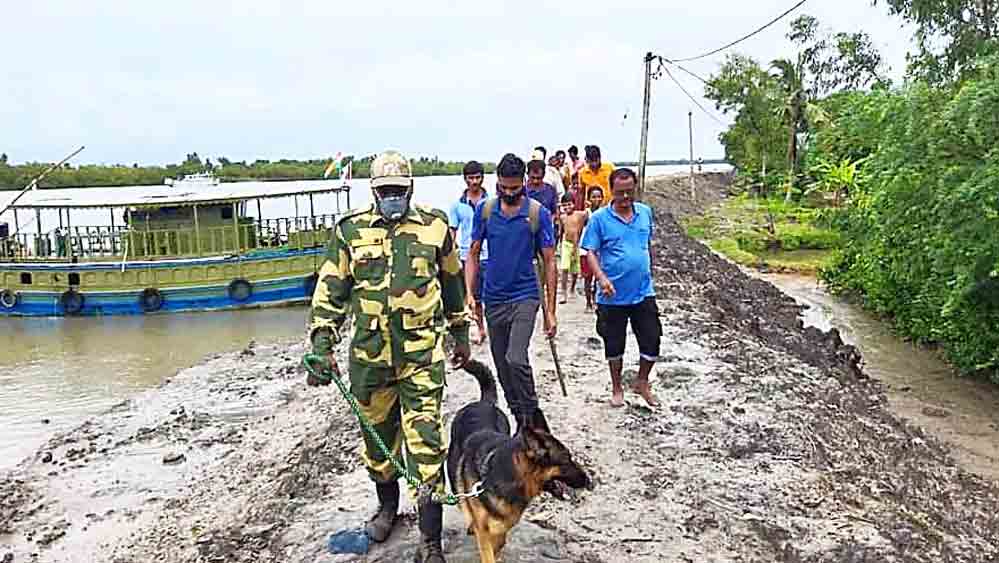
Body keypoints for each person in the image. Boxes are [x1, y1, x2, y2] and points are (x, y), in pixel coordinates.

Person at [307, 150, 470, 563]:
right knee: (378, 446)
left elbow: (452, 283)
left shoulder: (435, 228)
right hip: (369, 361)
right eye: (385, 192)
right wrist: (321, 345)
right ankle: (387, 508)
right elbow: (331, 293)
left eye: (399, 190)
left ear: (410, 188)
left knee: (426, 444)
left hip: (421, 358)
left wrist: (461, 333)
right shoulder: (350, 231)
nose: (392, 197)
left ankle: (430, 540)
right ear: (373, 192)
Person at [465, 153, 557, 429]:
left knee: (516, 358)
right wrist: (470, 293)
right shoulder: (484, 210)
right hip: (494, 297)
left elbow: (550, 260)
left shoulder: (536, 213)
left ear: (524, 184)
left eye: (514, 189)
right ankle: (520, 419)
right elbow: (472, 253)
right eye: (503, 188)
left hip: (526, 296)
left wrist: (550, 312)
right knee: (502, 367)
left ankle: (533, 416)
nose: (508, 193)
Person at [581, 168, 661, 409]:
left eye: (629, 192)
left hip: (643, 291)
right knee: (614, 344)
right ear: (610, 191)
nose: (625, 198)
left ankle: (642, 382)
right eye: (620, 193)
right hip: (611, 296)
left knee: (652, 338)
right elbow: (590, 253)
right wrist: (601, 277)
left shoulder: (645, 213)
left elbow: (646, 245)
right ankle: (617, 387)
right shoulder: (599, 219)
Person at [449, 160, 489, 344]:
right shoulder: (457, 205)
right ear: (465, 179)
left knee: (492, 295)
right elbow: (452, 231)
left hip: (489, 254)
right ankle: (480, 328)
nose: (474, 181)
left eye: (478, 177)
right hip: (466, 255)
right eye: (471, 178)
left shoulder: (491, 202)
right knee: (473, 296)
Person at [558, 193, 588, 305]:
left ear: (574, 204)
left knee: (575, 270)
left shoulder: (579, 215)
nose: (567, 208)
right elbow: (561, 231)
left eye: (569, 204)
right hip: (566, 244)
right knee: (564, 267)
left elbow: (588, 213)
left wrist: (587, 205)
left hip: (577, 245)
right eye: (564, 205)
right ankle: (563, 292)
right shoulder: (562, 217)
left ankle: (572, 288)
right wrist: (559, 244)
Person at [580, 186, 605, 312]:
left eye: (599, 196)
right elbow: (579, 230)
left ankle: (596, 300)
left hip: (600, 250)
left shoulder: (604, 213)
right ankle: (588, 302)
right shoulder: (586, 214)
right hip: (586, 250)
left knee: (598, 276)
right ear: (589, 199)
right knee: (587, 277)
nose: (597, 199)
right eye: (594, 197)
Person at [526, 152, 559, 218]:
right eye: (533, 178)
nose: (535, 181)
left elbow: (555, 212)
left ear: (543, 175)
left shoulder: (550, 190)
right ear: (528, 174)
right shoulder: (523, 191)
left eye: (538, 178)